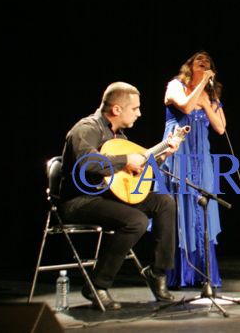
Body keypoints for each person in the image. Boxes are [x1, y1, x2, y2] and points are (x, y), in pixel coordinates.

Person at [58, 82, 180, 310]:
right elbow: (87, 163)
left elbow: (134, 170)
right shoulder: (87, 128)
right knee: (136, 220)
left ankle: (157, 272)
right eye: (135, 108)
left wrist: (163, 154)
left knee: (164, 202)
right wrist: (125, 160)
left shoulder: (119, 137)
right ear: (116, 110)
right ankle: (97, 285)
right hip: (80, 200)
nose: (139, 113)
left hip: (109, 196)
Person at [155, 52, 226, 288]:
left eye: (208, 61)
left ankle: (202, 272)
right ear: (190, 65)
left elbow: (220, 128)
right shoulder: (175, 86)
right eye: (199, 60)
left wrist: (207, 101)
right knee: (179, 206)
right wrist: (202, 87)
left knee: (202, 205)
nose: (204, 63)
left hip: (201, 156)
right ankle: (176, 273)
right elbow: (184, 108)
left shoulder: (210, 95)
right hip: (178, 153)